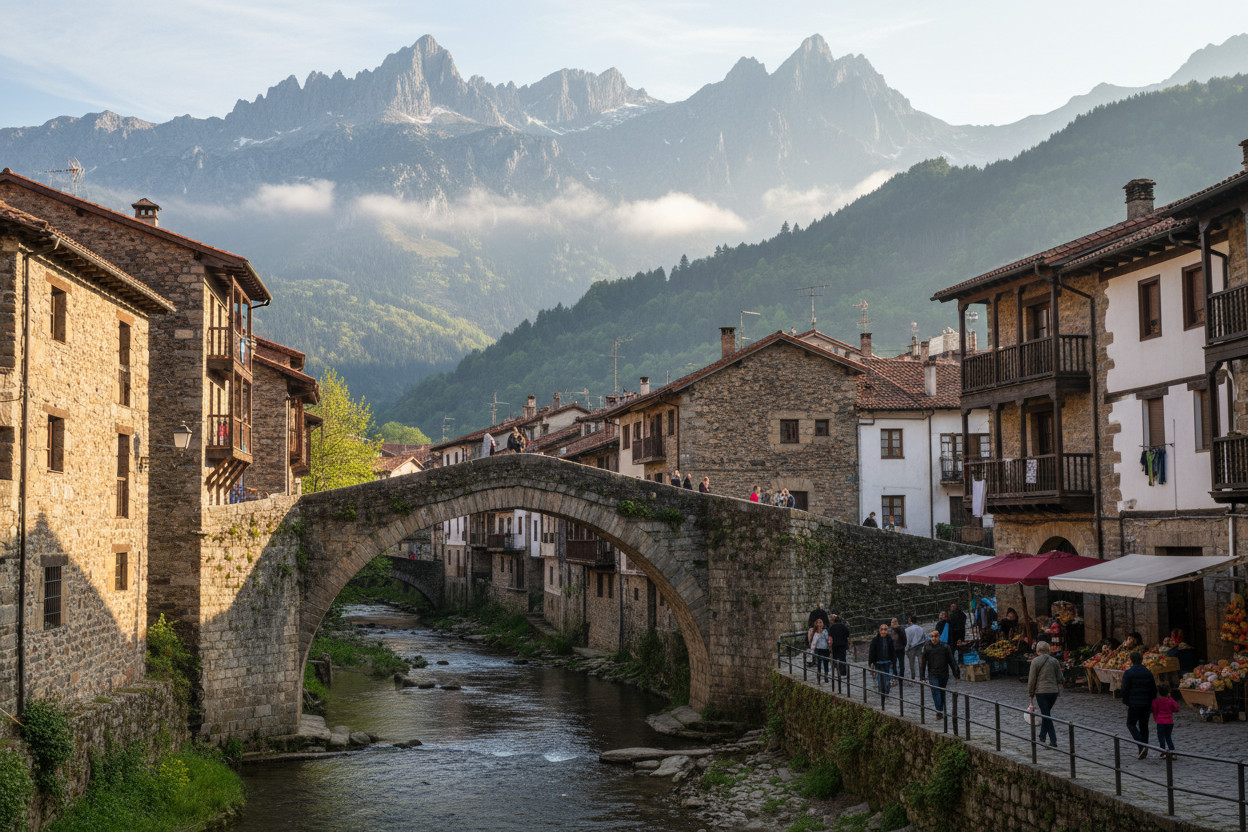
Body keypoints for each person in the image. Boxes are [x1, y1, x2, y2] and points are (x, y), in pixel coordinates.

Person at [1121, 651, 1158, 759]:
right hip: (1146, 703)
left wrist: (1126, 702)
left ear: (1131, 660)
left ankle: (1141, 746)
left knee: (1131, 724)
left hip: (1134, 703)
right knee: (1144, 725)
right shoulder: (1148, 672)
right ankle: (1143, 747)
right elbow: (1153, 689)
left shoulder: (1128, 673)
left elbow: (1124, 690)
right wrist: (1151, 702)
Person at [1027, 641, 1063, 747]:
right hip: (1053, 692)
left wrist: (1031, 694)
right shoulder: (1054, 661)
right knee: (1046, 713)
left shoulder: (1035, 662)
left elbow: (1032, 680)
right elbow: (1061, 678)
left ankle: (1053, 740)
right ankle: (1042, 735)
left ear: (1038, 651)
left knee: (1046, 715)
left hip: (1041, 692)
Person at [920, 628, 960, 715]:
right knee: (936, 692)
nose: (934, 638)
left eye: (936, 636)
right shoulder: (927, 647)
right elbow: (923, 662)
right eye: (932, 636)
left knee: (941, 692)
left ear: (939, 637)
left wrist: (956, 675)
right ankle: (939, 711)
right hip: (933, 674)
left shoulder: (945, 647)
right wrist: (922, 676)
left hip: (944, 673)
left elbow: (952, 661)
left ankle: (940, 709)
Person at [867, 623, 897, 704]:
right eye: (882, 629)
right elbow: (872, 652)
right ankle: (881, 691)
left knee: (887, 678)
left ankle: (886, 691)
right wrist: (871, 663)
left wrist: (893, 661)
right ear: (879, 630)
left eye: (885, 629)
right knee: (880, 678)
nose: (883, 631)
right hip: (878, 662)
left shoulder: (890, 640)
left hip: (887, 662)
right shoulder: (875, 640)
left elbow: (893, 652)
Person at [1152, 682, 1180, 760]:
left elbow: (1154, 711)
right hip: (1169, 722)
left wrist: (1156, 719)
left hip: (1160, 722)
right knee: (1168, 737)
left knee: (1161, 737)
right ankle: (1173, 752)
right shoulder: (1170, 700)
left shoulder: (1156, 701)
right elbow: (1177, 708)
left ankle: (1163, 752)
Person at [808, 618, 831, 683]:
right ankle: (819, 676)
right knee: (818, 663)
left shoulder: (825, 631)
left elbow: (827, 640)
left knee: (826, 663)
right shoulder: (814, 632)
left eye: (820, 622)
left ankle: (826, 676)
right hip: (818, 649)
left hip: (825, 649)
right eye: (818, 623)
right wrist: (812, 650)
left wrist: (829, 647)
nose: (819, 624)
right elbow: (813, 642)